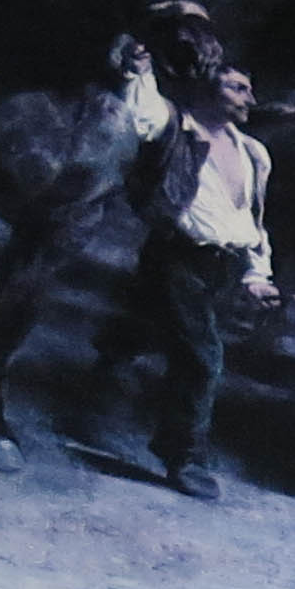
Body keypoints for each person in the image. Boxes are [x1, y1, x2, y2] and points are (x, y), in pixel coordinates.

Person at [116, 53, 279, 499]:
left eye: (249, 90)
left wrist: (256, 275)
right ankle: (184, 456)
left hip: (224, 267)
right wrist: (141, 68)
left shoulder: (253, 152)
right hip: (178, 258)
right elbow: (142, 108)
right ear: (206, 88)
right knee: (203, 357)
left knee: (159, 338)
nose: (250, 99)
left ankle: (108, 375)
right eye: (237, 88)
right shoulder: (173, 128)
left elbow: (252, 218)